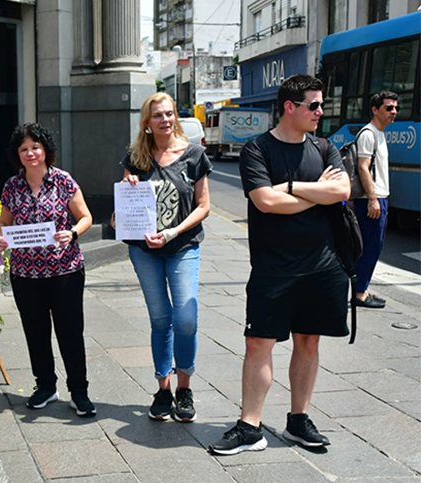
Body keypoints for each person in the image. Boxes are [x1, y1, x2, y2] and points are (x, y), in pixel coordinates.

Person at [209, 74, 351, 455]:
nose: (321, 111)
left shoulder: (324, 148)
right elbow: (265, 203)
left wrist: (289, 187)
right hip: (274, 267)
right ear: (290, 107)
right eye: (314, 105)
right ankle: (249, 426)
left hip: (323, 265)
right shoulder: (257, 150)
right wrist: (310, 193)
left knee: (309, 341)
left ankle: (298, 421)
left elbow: (341, 191)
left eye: (321, 105)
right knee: (259, 343)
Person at [119, 92, 212, 422]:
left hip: (182, 247)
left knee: (185, 318)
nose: (165, 120)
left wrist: (173, 232)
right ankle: (163, 388)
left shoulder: (194, 154)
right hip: (144, 251)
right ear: (147, 122)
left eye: (170, 113)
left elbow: (204, 205)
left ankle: (184, 386)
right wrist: (127, 188)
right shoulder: (136, 158)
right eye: (158, 115)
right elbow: (122, 217)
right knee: (160, 319)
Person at [0, 123, 96, 417]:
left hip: (65, 271)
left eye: (35, 147)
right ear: (17, 154)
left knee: (70, 332)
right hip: (26, 274)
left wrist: (73, 233)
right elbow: (5, 222)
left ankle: (79, 391)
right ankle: (45, 386)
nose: (30, 153)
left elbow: (85, 216)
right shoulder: (13, 186)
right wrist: (0, 237)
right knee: (35, 332)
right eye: (24, 149)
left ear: (45, 150)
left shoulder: (63, 181)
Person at [352, 91, 398, 309]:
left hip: (379, 198)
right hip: (371, 199)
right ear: (375, 109)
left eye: (395, 108)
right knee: (370, 247)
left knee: (373, 246)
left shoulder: (379, 133)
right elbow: (362, 167)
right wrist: (372, 199)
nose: (394, 112)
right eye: (389, 108)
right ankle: (359, 294)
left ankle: (363, 289)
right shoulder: (368, 134)